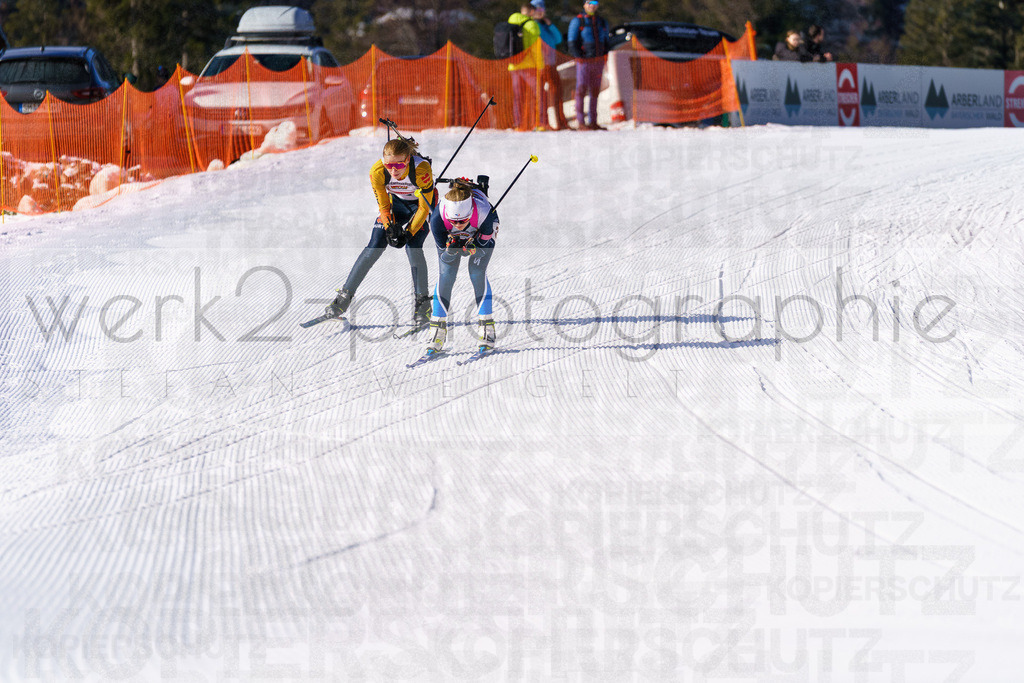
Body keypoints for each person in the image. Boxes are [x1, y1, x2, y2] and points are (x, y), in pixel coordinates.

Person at [327, 137, 435, 324]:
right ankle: (343, 298)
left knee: (413, 247)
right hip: (397, 205)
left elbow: (424, 208)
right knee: (375, 244)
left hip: (420, 207)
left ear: (408, 160)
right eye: (389, 165)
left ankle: (423, 304)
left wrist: (408, 233)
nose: (393, 170)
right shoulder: (377, 171)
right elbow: (384, 207)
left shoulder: (421, 169)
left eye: (399, 165)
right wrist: (390, 228)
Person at [423, 179, 499, 354]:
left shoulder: (484, 213)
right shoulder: (437, 219)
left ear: (470, 212)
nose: (458, 225)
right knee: (446, 274)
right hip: (452, 233)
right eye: (454, 221)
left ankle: (487, 329)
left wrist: (474, 248)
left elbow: (483, 248)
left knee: (476, 271)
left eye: (463, 220)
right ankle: (437, 332)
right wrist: (451, 251)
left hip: (480, 229)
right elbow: (444, 257)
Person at [507, 1, 561, 130]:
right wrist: (540, 66)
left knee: (518, 96)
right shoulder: (532, 25)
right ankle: (540, 123)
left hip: (514, 65)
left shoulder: (511, 21)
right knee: (539, 95)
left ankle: (519, 124)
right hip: (531, 66)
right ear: (531, 11)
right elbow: (536, 50)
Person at [567, 0, 610, 130]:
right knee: (581, 89)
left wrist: (605, 53)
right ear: (584, 5)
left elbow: (606, 40)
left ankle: (593, 121)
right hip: (584, 61)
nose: (592, 5)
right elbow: (571, 41)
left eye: (595, 2)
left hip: (598, 60)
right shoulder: (578, 21)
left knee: (595, 90)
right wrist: (579, 56)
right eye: (589, 2)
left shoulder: (602, 22)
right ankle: (580, 121)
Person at [531, 0, 570, 130]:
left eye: (542, 9)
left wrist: (550, 25)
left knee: (556, 92)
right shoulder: (532, 25)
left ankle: (560, 121)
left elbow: (558, 39)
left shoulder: (545, 25)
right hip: (539, 65)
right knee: (541, 95)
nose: (540, 12)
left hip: (551, 64)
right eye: (537, 9)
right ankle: (543, 122)